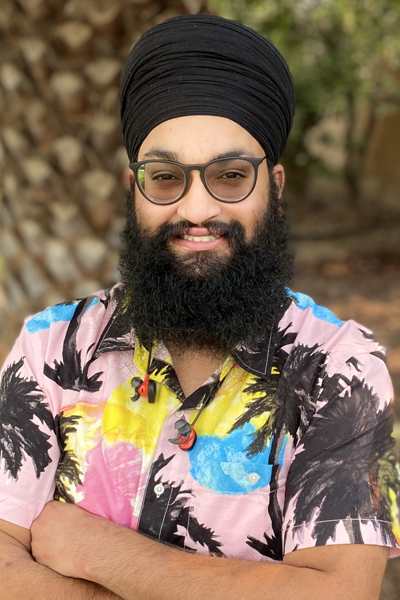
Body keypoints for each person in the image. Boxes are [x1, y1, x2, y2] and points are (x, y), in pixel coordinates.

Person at [0, 13, 399, 600]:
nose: (196, 210)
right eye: (165, 178)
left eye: (230, 176)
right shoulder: (52, 347)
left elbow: (338, 593)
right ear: (134, 189)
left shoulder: (340, 368)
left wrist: (96, 551)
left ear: (275, 187)